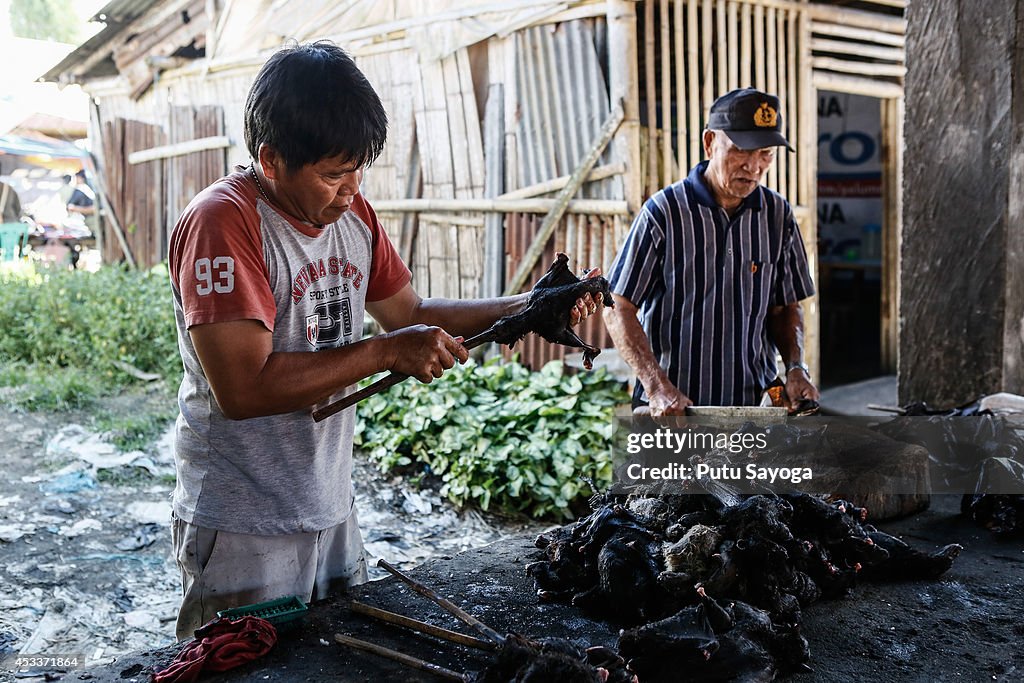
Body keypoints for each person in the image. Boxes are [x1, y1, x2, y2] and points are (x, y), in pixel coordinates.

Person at [167, 41, 599, 640]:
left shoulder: (353, 216)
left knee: (333, 659)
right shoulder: (225, 221)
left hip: (329, 503)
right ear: (270, 160)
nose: (351, 190)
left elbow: (411, 312)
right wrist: (383, 353)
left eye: (358, 169)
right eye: (333, 173)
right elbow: (243, 388)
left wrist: (529, 307)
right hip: (244, 518)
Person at [603, 88, 819, 416]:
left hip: (753, 410)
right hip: (674, 412)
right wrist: (657, 386)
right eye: (740, 151)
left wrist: (795, 368)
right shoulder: (664, 212)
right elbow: (617, 306)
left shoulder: (777, 216)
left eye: (765, 154)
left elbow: (785, 308)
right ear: (709, 142)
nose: (754, 167)